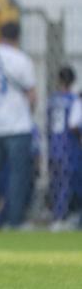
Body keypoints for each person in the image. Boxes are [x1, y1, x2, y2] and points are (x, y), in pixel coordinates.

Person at [0, 21, 36, 229]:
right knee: (18, 176)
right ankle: (14, 220)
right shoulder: (22, 59)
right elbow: (32, 95)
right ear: (17, 37)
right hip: (18, 125)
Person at [46, 66, 81, 231]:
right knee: (68, 182)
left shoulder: (52, 99)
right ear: (73, 81)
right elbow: (74, 124)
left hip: (54, 145)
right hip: (69, 146)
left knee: (56, 181)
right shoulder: (74, 100)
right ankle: (62, 217)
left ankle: (57, 215)